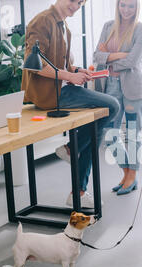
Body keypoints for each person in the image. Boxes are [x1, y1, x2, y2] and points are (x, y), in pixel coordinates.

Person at [22, 0, 120, 208]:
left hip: (62, 89)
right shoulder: (41, 22)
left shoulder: (63, 26)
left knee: (95, 127)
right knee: (112, 106)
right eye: (73, 1)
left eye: (80, 4)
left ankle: (78, 189)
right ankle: (70, 153)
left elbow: (62, 66)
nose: (76, 6)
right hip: (50, 95)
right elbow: (35, 65)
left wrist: (77, 71)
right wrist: (68, 75)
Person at [93, 0, 142, 196]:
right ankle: (127, 173)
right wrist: (120, 54)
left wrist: (109, 56)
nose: (126, 10)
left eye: (131, 6)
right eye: (123, 5)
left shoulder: (141, 29)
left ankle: (132, 175)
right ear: (118, 5)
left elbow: (133, 60)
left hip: (133, 87)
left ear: (137, 8)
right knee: (109, 133)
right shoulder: (108, 26)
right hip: (110, 87)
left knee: (133, 133)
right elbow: (96, 56)